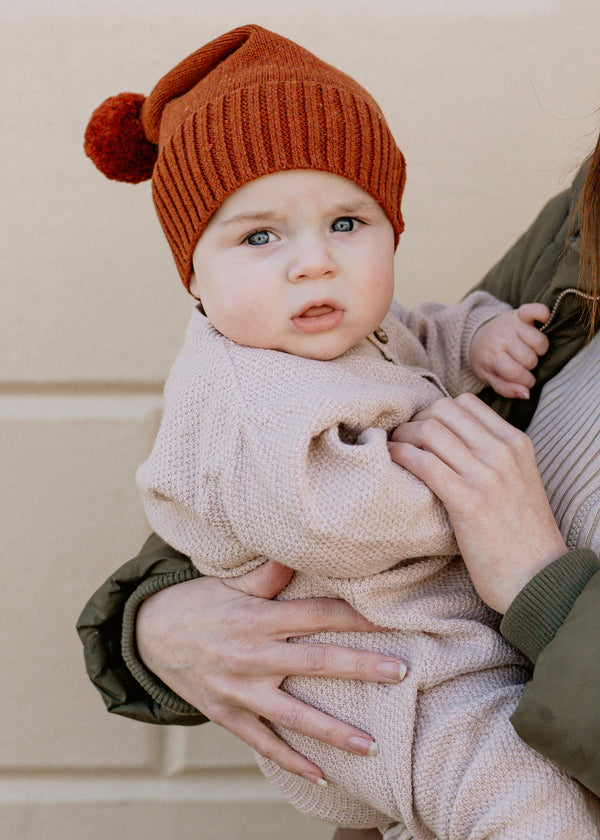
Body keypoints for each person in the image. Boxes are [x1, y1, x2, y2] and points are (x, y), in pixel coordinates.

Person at [80, 24, 600, 839]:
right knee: (532, 811)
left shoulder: (345, 329)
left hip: (435, 652)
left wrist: (484, 337)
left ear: (394, 227)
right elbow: (330, 517)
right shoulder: (252, 390)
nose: (314, 262)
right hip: (388, 679)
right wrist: (154, 618)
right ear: (194, 276)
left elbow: (428, 333)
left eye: (349, 224)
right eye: (259, 236)